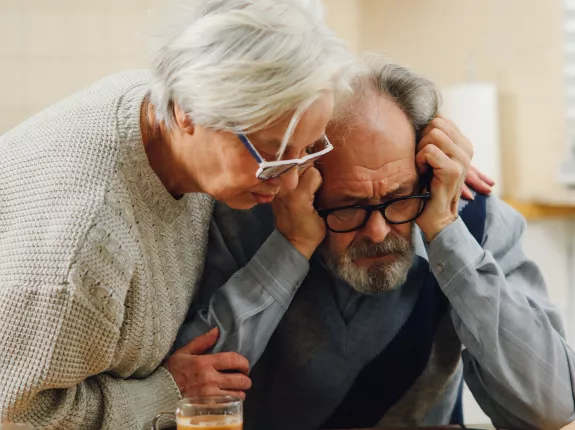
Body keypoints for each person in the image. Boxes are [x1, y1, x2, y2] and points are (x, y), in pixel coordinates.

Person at [0, 0, 358, 428]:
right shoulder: (87, 246)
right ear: (188, 109)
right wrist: (167, 393)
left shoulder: (157, 110)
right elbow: (15, 414)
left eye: (307, 148)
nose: (289, 181)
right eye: (271, 153)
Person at [176, 55, 575, 430]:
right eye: (348, 206)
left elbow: (551, 408)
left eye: (399, 196)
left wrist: (447, 236)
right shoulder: (244, 217)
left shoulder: (472, 219)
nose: (379, 232)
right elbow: (187, 396)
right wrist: (290, 246)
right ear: (302, 178)